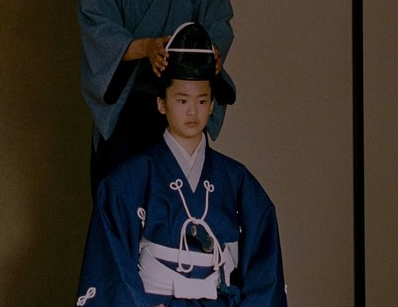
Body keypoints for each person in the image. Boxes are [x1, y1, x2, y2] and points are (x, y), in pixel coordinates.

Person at [74, 22, 287, 307]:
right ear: (161, 103)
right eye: (182, 100)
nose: (192, 111)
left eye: (202, 100)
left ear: (212, 105)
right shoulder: (128, 181)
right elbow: (110, 271)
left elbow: (265, 271)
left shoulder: (238, 181)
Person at [77, 0, 236, 199]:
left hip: (180, 112)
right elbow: (99, 33)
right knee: (121, 207)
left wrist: (211, 54)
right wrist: (144, 47)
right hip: (125, 115)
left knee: (186, 210)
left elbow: (218, 26)